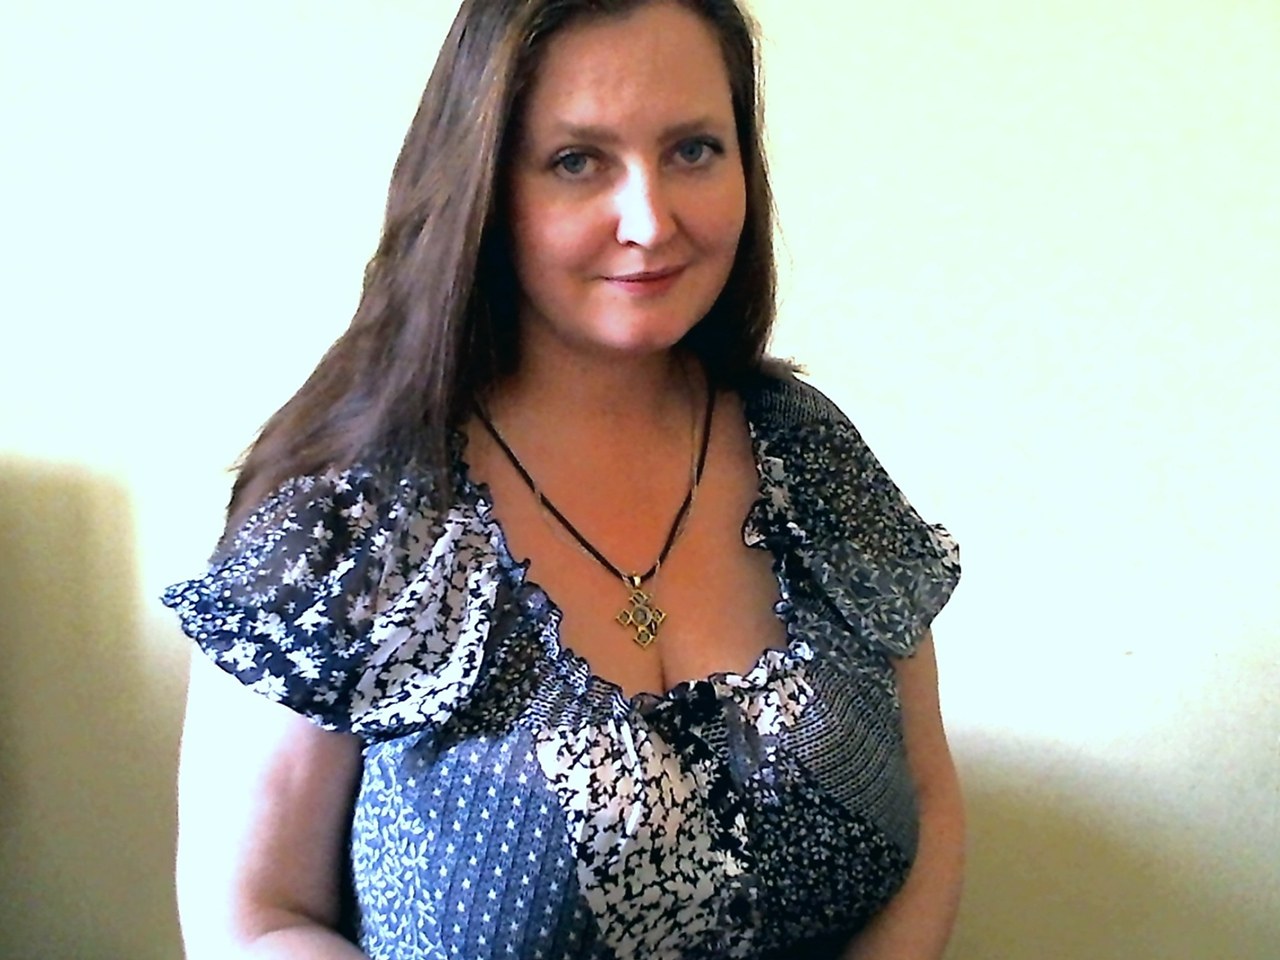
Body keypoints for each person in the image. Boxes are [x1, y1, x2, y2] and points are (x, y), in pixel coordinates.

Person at [163, 0, 964, 957]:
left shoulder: (807, 451)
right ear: (484, 184)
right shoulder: (352, 514)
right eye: (578, 160)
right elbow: (254, 918)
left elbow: (929, 797)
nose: (650, 221)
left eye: (694, 150)